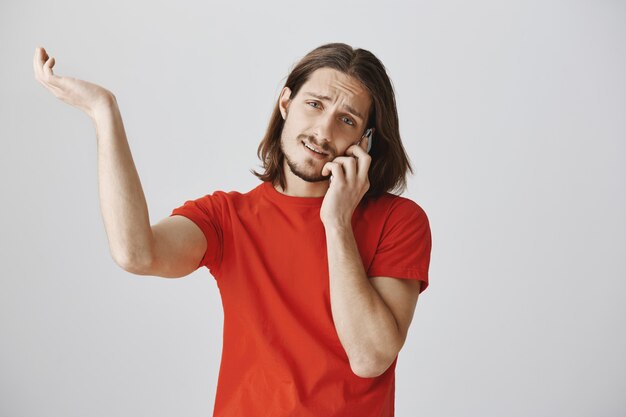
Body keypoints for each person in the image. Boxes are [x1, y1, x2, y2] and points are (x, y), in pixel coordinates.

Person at [33, 42, 432, 417]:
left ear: (364, 140)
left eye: (346, 120)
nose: (323, 132)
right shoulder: (227, 217)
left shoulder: (399, 221)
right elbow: (135, 253)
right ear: (286, 103)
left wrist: (336, 222)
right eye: (314, 105)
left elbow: (369, 358)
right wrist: (105, 112)